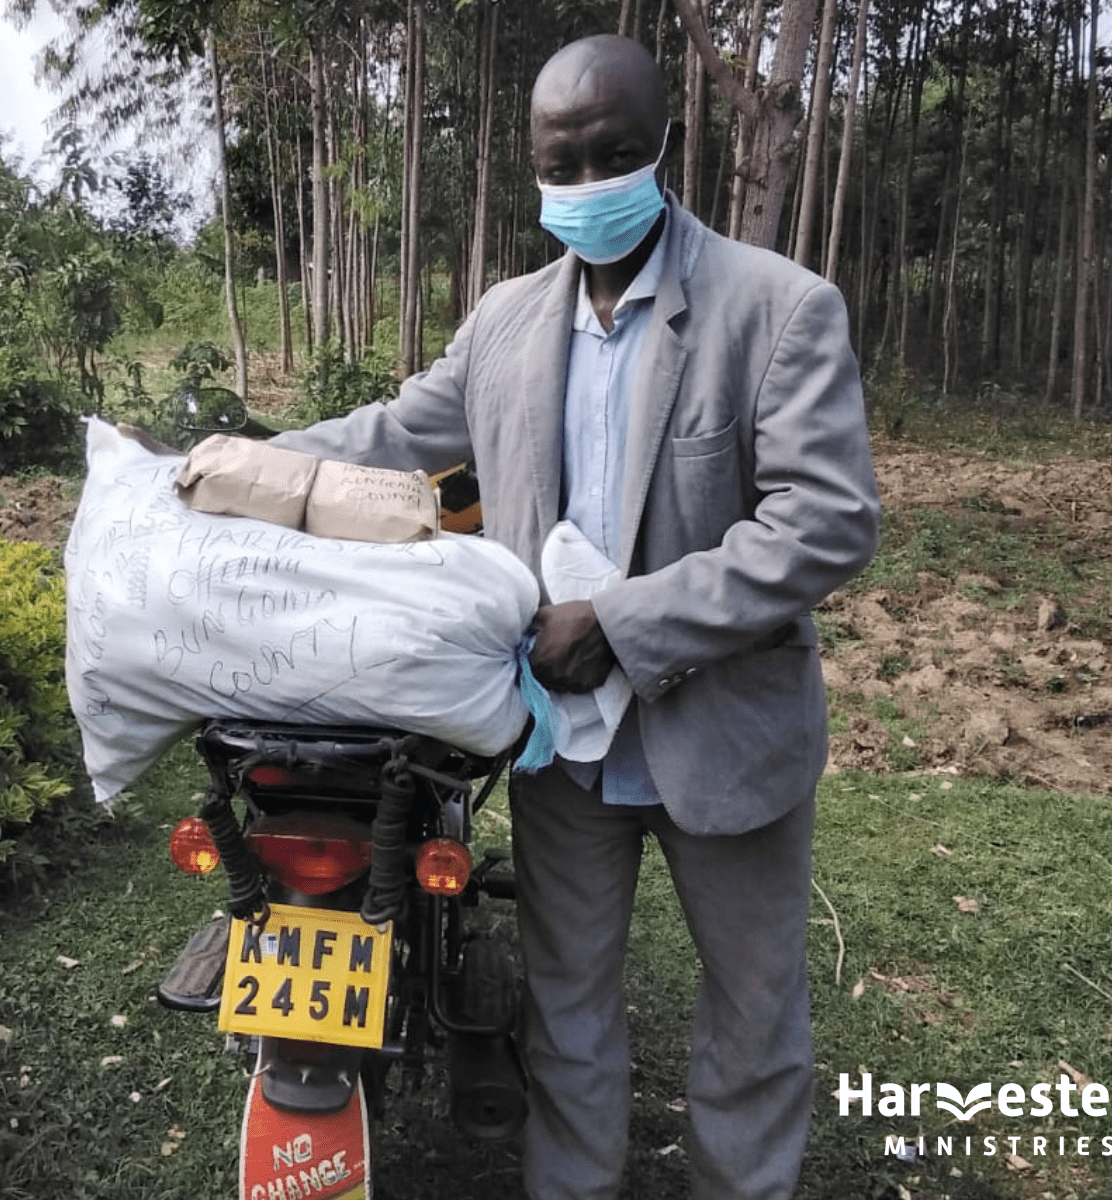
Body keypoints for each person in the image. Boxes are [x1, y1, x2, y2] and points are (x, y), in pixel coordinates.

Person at [266, 34, 880, 1200]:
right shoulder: (505, 322)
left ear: (667, 145)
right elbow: (394, 436)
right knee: (567, 1007)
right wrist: (236, 462)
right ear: (533, 165)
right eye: (563, 162)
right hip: (563, 748)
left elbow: (826, 523)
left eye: (616, 152)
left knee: (754, 1017)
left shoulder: (776, 308)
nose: (590, 181)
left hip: (726, 738)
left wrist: (620, 620)